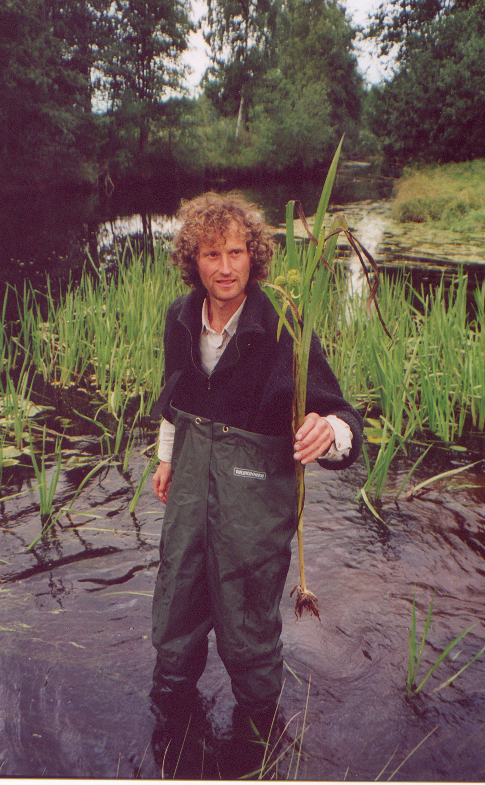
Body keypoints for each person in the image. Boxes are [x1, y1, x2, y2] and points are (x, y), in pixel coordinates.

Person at [149, 191, 363, 753]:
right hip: (191, 480)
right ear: (192, 258)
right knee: (176, 605)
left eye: (237, 253)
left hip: (256, 494)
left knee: (247, 628)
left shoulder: (284, 322)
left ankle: (258, 735)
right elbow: (175, 392)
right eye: (212, 254)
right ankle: (172, 722)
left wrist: (329, 432)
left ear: (254, 256)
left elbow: (344, 421)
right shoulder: (178, 315)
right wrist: (167, 453)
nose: (226, 267)